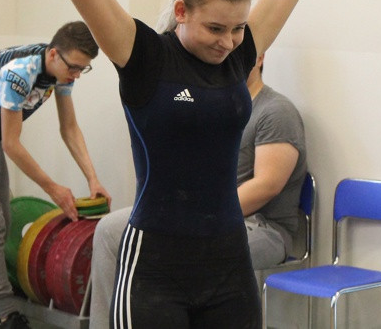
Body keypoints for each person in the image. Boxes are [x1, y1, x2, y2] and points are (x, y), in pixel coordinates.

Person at [0, 0, 353, 329]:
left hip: (229, 260)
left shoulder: (239, 54)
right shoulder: (143, 56)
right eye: (215, 28)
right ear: (180, 12)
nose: (229, 41)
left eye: (237, 28)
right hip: (155, 262)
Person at [88, 51, 307, 328]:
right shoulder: (215, 104)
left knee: (189, 252)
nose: (226, 56)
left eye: (237, 51)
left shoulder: (276, 111)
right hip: (192, 213)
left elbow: (267, 185)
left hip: (260, 227)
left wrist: (199, 215)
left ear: (259, 58)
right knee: (109, 230)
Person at [0, 21, 111, 329]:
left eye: (84, 69)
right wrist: (53, 188)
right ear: (54, 54)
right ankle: (7, 312)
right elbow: (13, 144)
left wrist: (92, 178)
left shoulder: (61, 73)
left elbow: (69, 128)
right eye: (75, 68)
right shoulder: (20, 73)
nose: (77, 75)